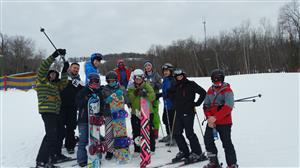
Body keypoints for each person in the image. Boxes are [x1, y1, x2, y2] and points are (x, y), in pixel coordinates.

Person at [35, 49, 70, 168]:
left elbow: (64, 83)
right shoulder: (41, 81)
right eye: (51, 73)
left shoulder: (56, 85)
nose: (53, 74)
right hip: (47, 111)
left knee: (61, 132)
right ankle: (41, 161)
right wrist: (54, 55)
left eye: (55, 74)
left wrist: (65, 71)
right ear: (48, 74)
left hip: (56, 112)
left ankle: (55, 154)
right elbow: (43, 67)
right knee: (51, 135)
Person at [169, 68, 207, 164]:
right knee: (177, 133)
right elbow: (169, 93)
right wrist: (174, 102)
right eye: (177, 77)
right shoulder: (175, 85)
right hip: (178, 112)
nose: (179, 78)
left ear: (184, 76)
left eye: (181, 76)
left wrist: (197, 103)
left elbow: (203, 93)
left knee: (189, 133)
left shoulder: (191, 84)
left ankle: (197, 152)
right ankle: (184, 151)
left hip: (189, 112)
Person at [203, 69, 238, 168]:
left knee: (226, 142)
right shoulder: (210, 90)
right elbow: (206, 105)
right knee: (208, 140)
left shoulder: (227, 90)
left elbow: (228, 106)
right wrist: (209, 117)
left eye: (218, 78)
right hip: (211, 122)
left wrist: (215, 117)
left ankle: (232, 164)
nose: (216, 81)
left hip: (224, 122)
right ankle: (213, 162)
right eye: (214, 79)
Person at [75, 73, 102, 167]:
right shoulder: (83, 91)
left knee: (95, 140)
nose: (94, 83)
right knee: (83, 141)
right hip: (84, 120)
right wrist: (86, 99)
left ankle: (96, 157)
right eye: (92, 81)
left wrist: (101, 116)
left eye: (96, 81)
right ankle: (82, 160)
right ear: (88, 82)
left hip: (95, 121)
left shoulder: (99, 92)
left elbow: (101, 105)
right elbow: (77, 103)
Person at [127, 69, 156, 154]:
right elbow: (129, 99)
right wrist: (135, 93)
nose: (138, 80)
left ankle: (151, 147)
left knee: (148, 130)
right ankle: (137, 148)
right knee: (136, 131)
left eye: (140, 78)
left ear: (143, 78)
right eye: (136, 78)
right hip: (135, 112)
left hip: (147, 112)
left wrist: (146, 94)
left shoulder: (147, 86)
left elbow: (153, 96)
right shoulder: (131, 87)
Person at [101, 71, 128, 160]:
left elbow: (126, 99)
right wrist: (107, 100)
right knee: (109, 133)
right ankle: (110, 151)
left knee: (120, 132)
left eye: (113, 81)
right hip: (108, 113)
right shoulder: (105, 89)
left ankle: (121, 149)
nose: (111, 82)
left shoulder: (121, 87)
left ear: (116, 80)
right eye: (109, 81)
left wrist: (122, 94)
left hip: (119, 114)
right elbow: (103, 100)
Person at [59, 62, 84, 154]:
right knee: (60, 127)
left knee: (71, 127)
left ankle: (70, 146)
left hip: (73, 107)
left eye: (77, 68)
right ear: (70, 68)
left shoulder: (79, 81)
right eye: (74, 68)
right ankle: (57, 146)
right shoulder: (64, 77)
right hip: (61, 106)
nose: (76, 69)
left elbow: (84, 90)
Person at [157, 63, 176, 146]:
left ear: (171, 71)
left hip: (172, 104)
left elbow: (173, 91)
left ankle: (175, 137)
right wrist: (160, 95)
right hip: (166, 104)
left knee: (172, 121)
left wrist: (166, 95)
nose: (165, 72)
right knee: (165, 119)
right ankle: (169, 135)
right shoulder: (165, 79)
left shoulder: (173, 80)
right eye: (164, 71)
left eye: (167, 70)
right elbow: (165, 91)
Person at [143, 61, 162, 139]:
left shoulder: (156, 75)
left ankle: (155, 132)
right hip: (145, 98)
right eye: (146, 66)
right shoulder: (143, 75)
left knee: (155, 115)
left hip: (154, 97)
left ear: (151, 67)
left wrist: (154, 84)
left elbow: (161, 85)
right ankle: (147, 130)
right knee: (146, 115)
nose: (147, 67)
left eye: (149, 65)